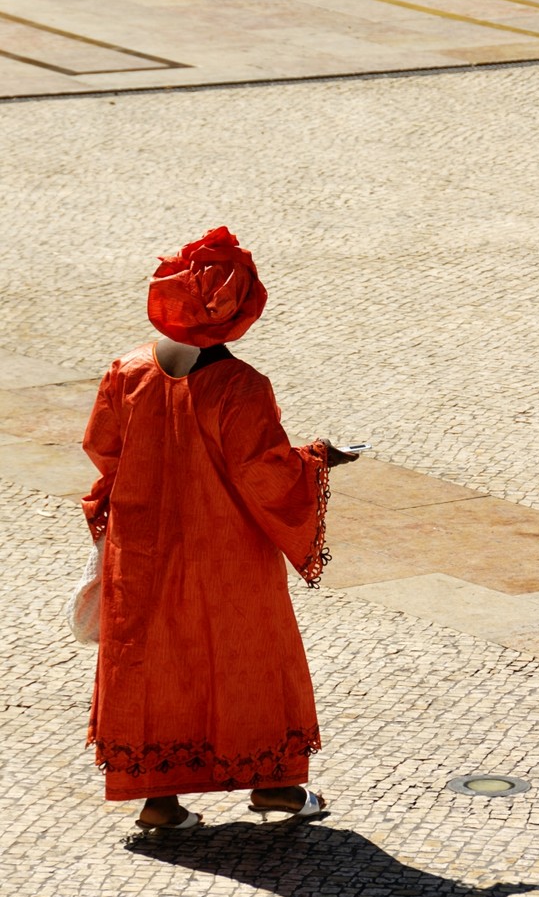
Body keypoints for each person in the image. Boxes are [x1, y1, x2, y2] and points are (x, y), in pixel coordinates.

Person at [81, 226, 357, 830]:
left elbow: (103, 451)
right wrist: (319, 458)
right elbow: (265, 473)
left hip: (144, 552)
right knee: (249, 656)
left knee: (153, 666)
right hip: (225, 554)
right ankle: (275, 787)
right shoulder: (240, 387)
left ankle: (158, 800)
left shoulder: (127, 371)